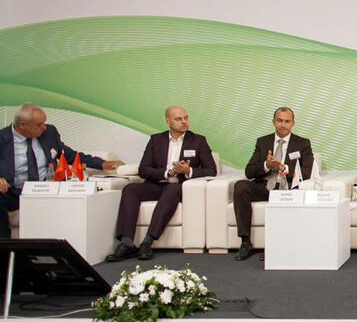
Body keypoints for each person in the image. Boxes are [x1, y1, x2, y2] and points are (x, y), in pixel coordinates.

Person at [106, 105, 216, 262]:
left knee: (172, 189)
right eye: (178, 119)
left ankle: (148, 241)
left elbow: (211, 170)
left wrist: (188, 171)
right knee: (130, 189)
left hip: (179, 186)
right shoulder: (156, 140)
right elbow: (143, 169)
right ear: (167, 121)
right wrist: (167, 173)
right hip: (156, 184)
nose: (184, 122)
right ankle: (127, 242)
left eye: (185, 118)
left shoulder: (198, 141)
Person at [1, 102, 123, 239]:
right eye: (39, 125)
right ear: (22, 125)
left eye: (44, 123)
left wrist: (101, 163)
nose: (44, 127)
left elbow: (68, 155)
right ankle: (4, 246)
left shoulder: (49, 132)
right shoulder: (2, 139)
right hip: (15, 192)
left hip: (47, 190)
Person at [233, 107, 314, 261]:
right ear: (273, 122)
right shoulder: (263, 142)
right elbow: (249, 171)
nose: (283, 125)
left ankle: (275, 246)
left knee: (288, 195)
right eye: (279, 120)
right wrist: (266, 165)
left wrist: (283, 168)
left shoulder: (302, 143)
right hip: (265, 187)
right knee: (241, 186)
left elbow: (307, 172)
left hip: (287, 188)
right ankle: (245, 242)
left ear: (293, 123)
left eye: (287, 121)